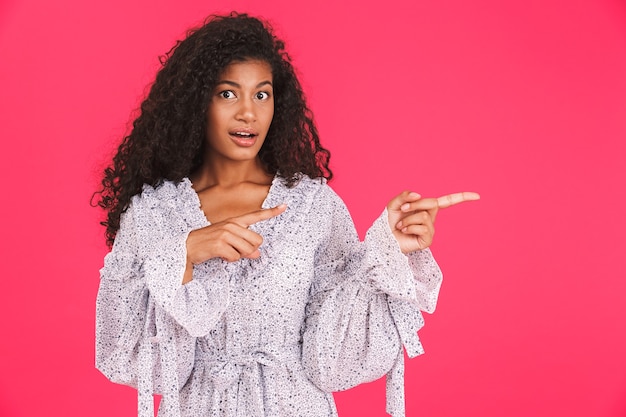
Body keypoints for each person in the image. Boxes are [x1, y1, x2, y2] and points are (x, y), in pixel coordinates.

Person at [94, 12, 479, 417]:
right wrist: (184, 255)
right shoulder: (153, 213)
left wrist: (387, 250)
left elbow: (329, 363)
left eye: (262, 94)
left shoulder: (313, 205)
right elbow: (134, 360)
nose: (249, 113)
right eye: (228, 94)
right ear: (196, 102)